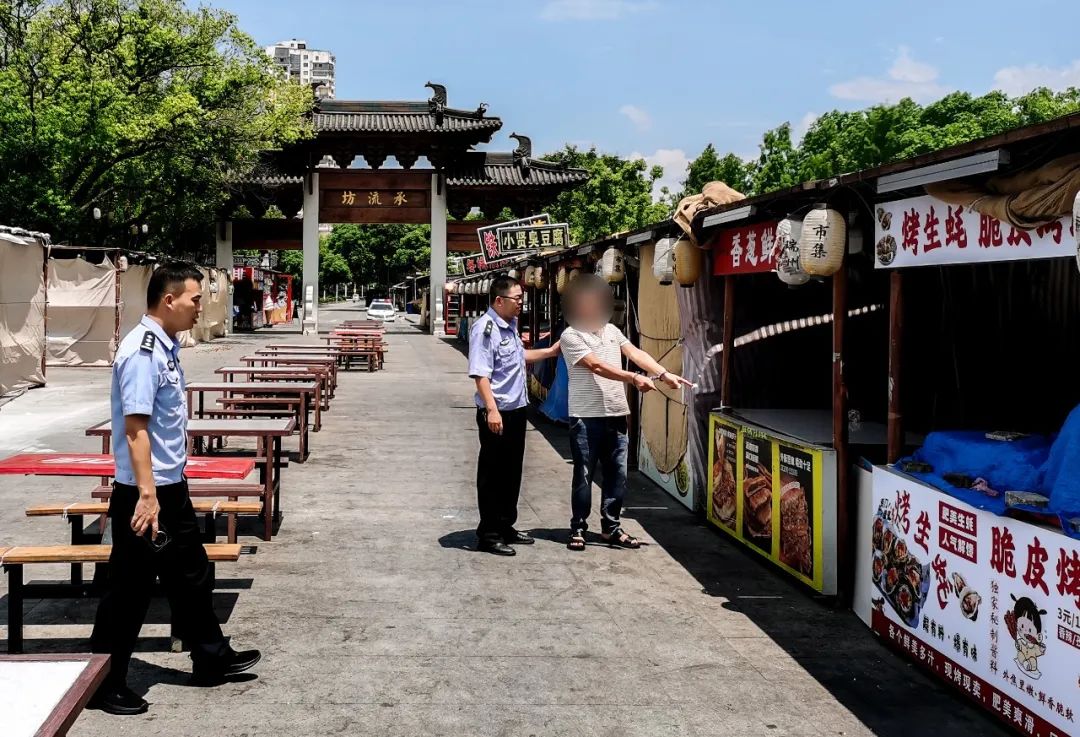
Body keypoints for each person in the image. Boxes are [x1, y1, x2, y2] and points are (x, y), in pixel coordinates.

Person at [90, 262, 261, 716]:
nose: (199, 307)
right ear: (169, 300)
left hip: (169, 487)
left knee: (191, 574)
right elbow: (135, 430)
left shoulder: (165, 347)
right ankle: (103, 683)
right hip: (145, 493)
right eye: (195, 299)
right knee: (129, 590)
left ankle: (211, 657)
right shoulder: (142, 352)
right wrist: (147, 495)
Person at [559, 274, 692, 551]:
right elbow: (595, 366)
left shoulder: (612, 331)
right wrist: (633, 378)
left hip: (616, 413)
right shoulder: (571, 335)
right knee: (584, 474)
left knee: (617, 474)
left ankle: (611, 528)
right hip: (586, 417)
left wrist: (663, 373)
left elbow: (635, 353)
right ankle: (578, 527)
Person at [468, 275, 560, 556]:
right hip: (498, 413)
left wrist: (551, 351)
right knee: (493, 474)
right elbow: (480, 374)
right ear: (499, 300)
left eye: (522, 298)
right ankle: (489, 534)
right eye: (517, 299)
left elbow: (520, 357)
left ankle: (505, 524)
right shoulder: (485, 329)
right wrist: (492, 410)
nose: (521, 303)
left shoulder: (510, 326)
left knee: (512, 472)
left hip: (517, 411)